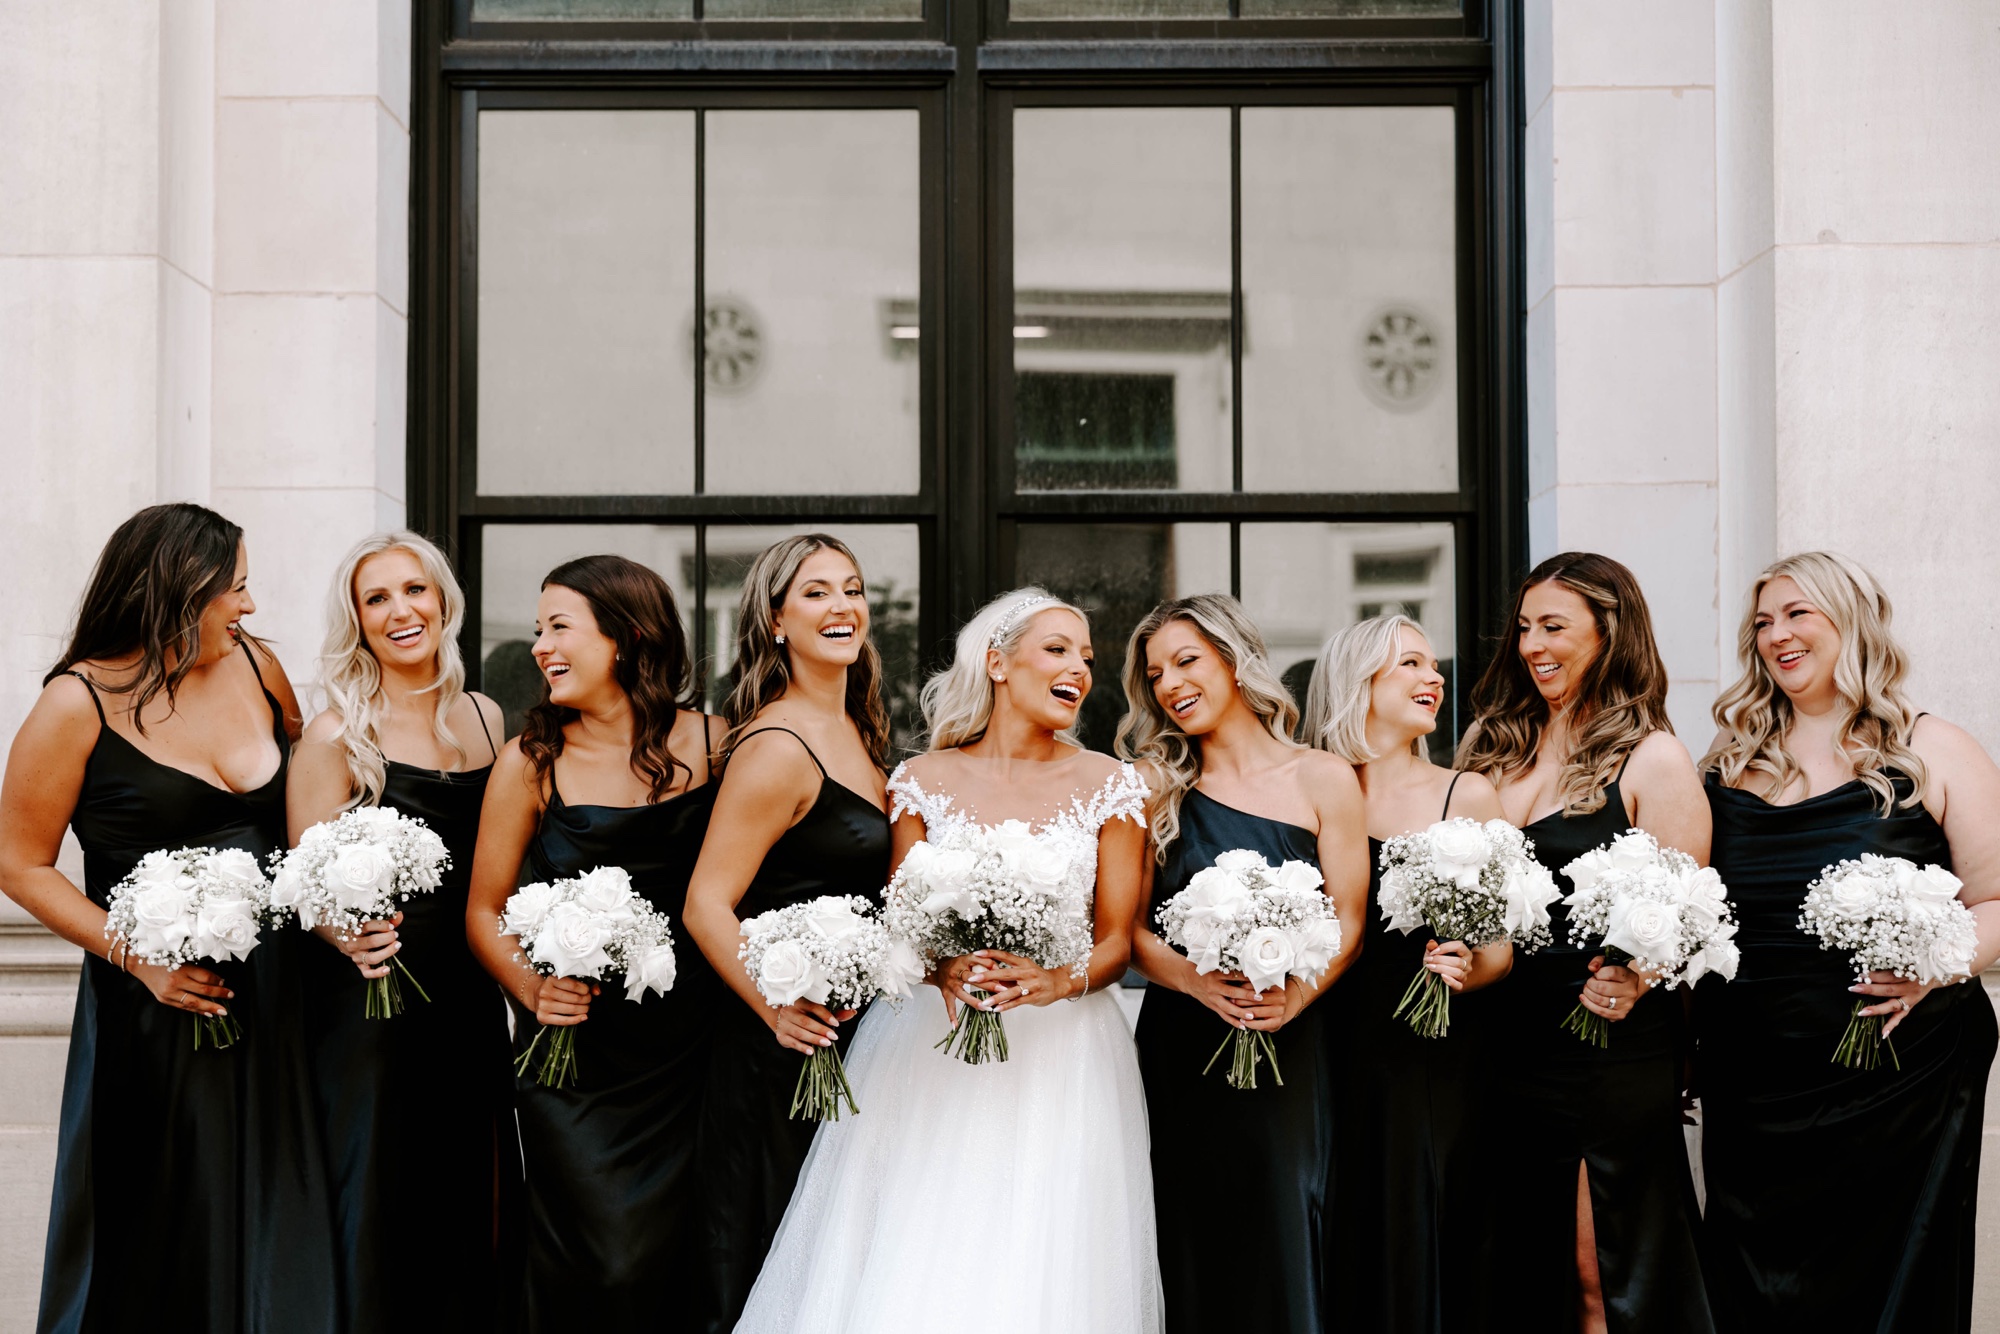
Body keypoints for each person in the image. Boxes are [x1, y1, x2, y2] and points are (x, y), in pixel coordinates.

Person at [732, 587, 1161, 1334]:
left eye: (1087, 658)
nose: (1080, 670)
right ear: (997, 662)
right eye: (1058, 649)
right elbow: (905, 922)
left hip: (1063, 1057)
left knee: (1043, 1252)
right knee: (920, 1240)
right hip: (928, 1049)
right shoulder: (921, 779)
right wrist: (940, 970)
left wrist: (1055, 981)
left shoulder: (1111, 784)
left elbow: (1119, 939)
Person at [0, 503, 336, 1333]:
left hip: (286, 1000)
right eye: (238, 588)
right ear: (179, 590)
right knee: (170, 1225)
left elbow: (308, 801)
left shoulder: (259, 667)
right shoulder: (75, 704)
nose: (251, 608)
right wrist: (136, 959)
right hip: (161, 1011)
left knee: (286, 1212)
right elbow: (17, 863)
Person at [1696, 551, 2000, 1332]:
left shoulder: (1933, 748)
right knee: (1753, 1286)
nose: (1777, 635)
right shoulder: (1730, 765)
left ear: (1851, 621)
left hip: (1896, 1077)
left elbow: (1997, 897)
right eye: (1763, 621)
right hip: (1755, 1078)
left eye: (1799, 613)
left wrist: (1937, 969)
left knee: (1885, 1285)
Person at [1456, 552, 1713, 1334]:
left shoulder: (1653, 758)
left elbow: (1685, 914)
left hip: (1605, 1049)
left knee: (1600, 1267)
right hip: (1499, 1044)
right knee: (1518, 1267)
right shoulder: (1492, 750)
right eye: (1525, 627)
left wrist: (1638, 977)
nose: (1532, 644)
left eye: (1554, 626)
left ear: (1611, 632)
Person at [465, 554, 721, 1327]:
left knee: (689, 1260)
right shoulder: (530, 760)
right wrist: (533, 989)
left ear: (627, 636)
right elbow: (483, 911)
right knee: (601, 1262)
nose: (541, 646)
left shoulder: (720, 744)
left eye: (559, 628)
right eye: (538, 630)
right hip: (573, 1060)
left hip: (692, 1056)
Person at [285, 531, 517, 1333]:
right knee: (380, 1188)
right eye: (376, 598)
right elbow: (304, 883)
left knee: (468, 1190)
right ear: (356, 619)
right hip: (371, 1006)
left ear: (442, 599)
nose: (400, 611)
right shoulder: (333, 734)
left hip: (467, 996)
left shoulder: (485, 718)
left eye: (413, 590)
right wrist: (345, 936)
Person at [1122, 594, 1368, 1334]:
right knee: (1193, 1236)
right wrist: (1197, 982)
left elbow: (1349, 923)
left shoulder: (1323, 776)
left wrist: (1295, 998)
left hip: (1293, 1044)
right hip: (1184, 1047)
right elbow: (1127, 932)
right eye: (1156, 673)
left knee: (1289, 1224)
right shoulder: (1153, 787)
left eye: (1186, 661)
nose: (1169, 684)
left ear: (1234, 661)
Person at [681, 535, 893, 1332]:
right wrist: (774, 1008)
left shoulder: (858, 730)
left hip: (853, 1039)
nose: (842, 607)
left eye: (852, 589)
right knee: (773, 1250)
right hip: (779, 1051)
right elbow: (706, 902)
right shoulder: (777, 745)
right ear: (775, 620)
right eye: (815, 593)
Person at [1305, 613, 1510, 1334]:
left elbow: (1501, 946)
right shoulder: (1315, 792)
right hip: (1331, 1038)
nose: (1435, 678)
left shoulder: (1468, 794)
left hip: (1435, 1054)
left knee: (1425, 1223)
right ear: (1359, 685)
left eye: (1432, 665)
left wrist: (1469, 966)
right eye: (1412, 666)